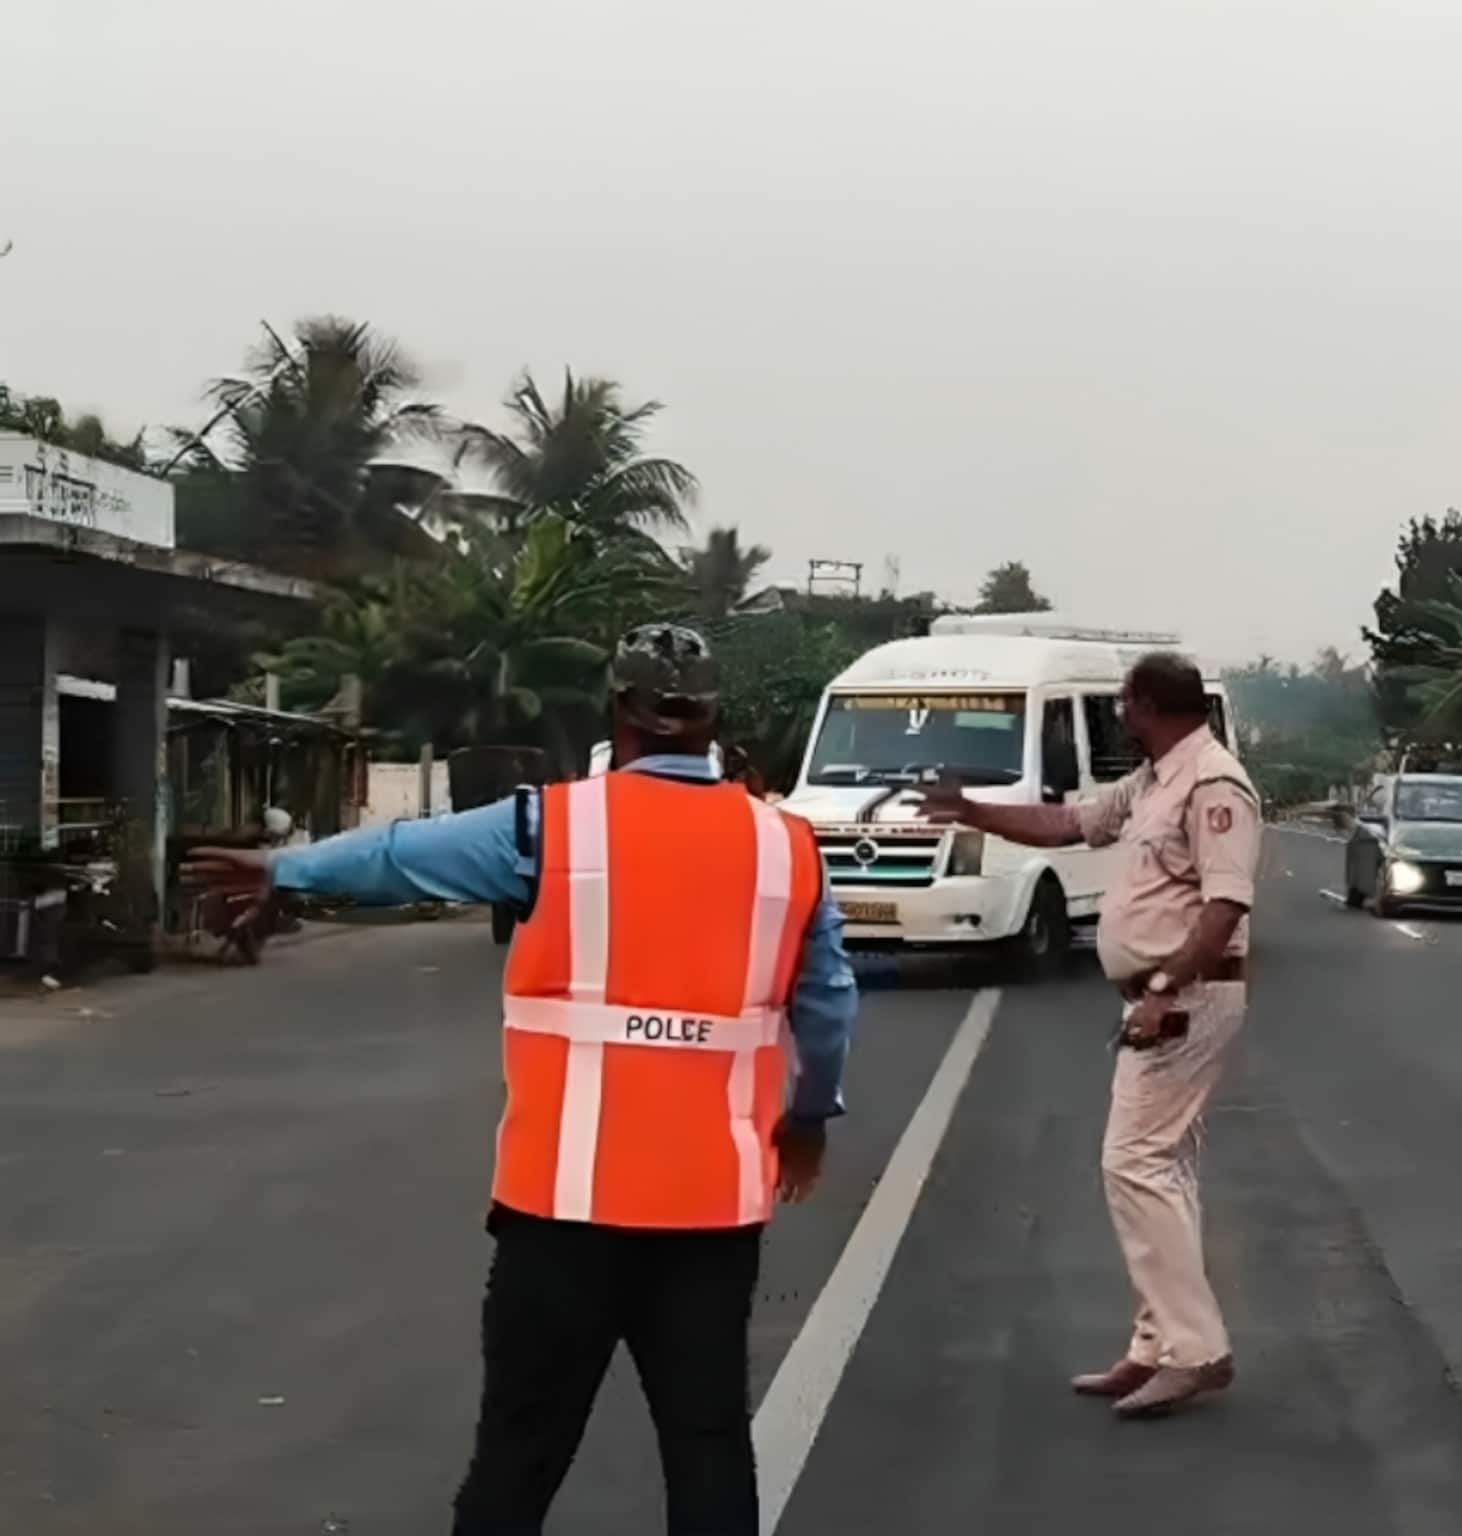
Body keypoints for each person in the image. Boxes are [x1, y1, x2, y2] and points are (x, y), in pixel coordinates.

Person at [183, 623, 858, 1535]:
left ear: (620, 711)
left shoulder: (551, 824)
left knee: (519, 1452)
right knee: (706, 1450)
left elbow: (401, 853)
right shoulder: (787, 849)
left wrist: (284, 868)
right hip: (710, 1213)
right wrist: (807, 1120)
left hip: (560, 1215)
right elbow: (828, 1009)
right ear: (710, 719)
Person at [921, 651, 1259, 1419]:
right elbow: (1068, 824)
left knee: (1133, 1164)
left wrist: (1165, 988)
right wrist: (972, 809)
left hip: (1186, 997)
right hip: (1158, 995)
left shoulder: (1215, 784)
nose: (1119, 716)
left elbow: (1224, 908)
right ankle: (1155, 1346)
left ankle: (1196, 1349)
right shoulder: (1154, 780)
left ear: (1147, 703)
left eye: (1124, 704)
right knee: (1160, 1172)